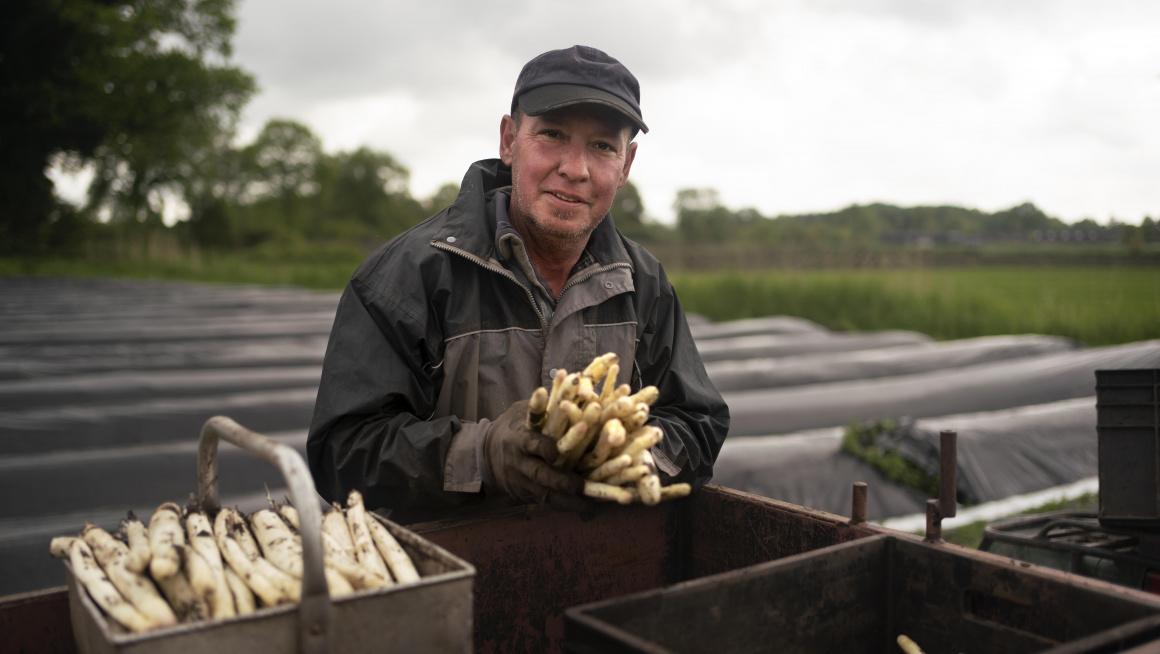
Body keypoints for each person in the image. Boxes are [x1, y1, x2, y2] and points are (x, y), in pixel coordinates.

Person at [307, 45, 729, 524]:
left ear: (626, 165)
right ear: (509, 141)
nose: (576, 168)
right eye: (552, 134)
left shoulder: (644, 283)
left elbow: (698, 423)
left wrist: (626, 461)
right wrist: (484, 454)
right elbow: (341, 452)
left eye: (603, 146)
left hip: (599, 559)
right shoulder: (405, 277)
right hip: (443, 569)